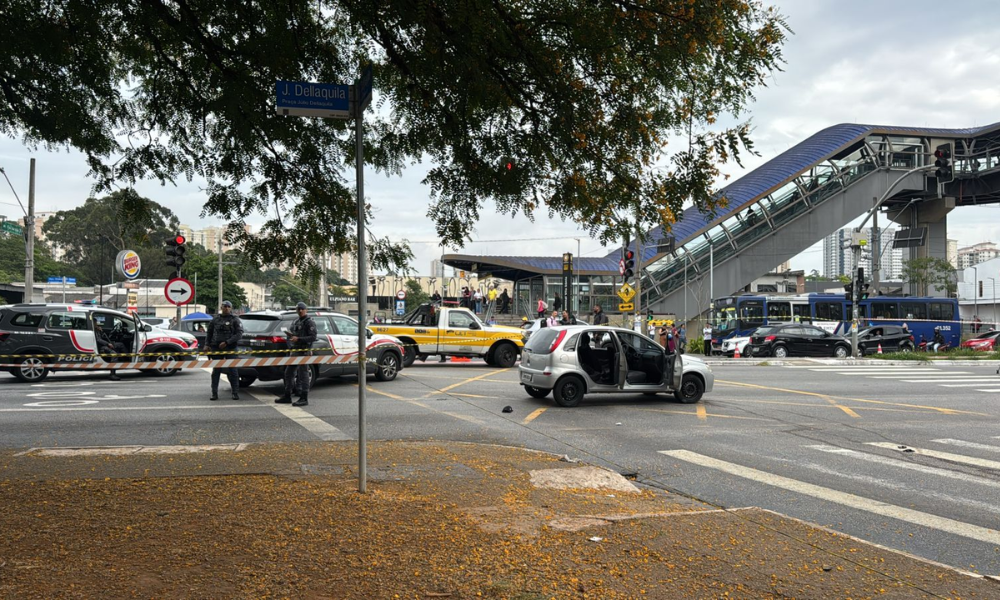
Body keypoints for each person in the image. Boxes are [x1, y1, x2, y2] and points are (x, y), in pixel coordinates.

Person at [277, 302, 317, 406]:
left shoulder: (309, 322)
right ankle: (287, 395)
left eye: (302, 309)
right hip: (295, 351)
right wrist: (290, 342)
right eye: (298, 309)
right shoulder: (296, 321)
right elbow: (290, 336)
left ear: (306, 310)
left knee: (303, 375)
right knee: (288, 373)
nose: (300, 311)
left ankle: (304, 398)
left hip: (304, 351)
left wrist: (298, 338)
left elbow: (313, 337)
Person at [206, 300, 244, 401]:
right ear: (221, 307)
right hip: (216, 348)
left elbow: (239, 334)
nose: (226, 308)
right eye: (224, 306)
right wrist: (206, 344)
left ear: (230, 308)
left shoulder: (235, 319)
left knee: (233, 371)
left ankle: (235, 392)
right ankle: (214, 393)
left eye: (228, 306)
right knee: (216, 371)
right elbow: (209, 333)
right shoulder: (215, 319)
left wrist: (227, 342)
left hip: (230, 348)